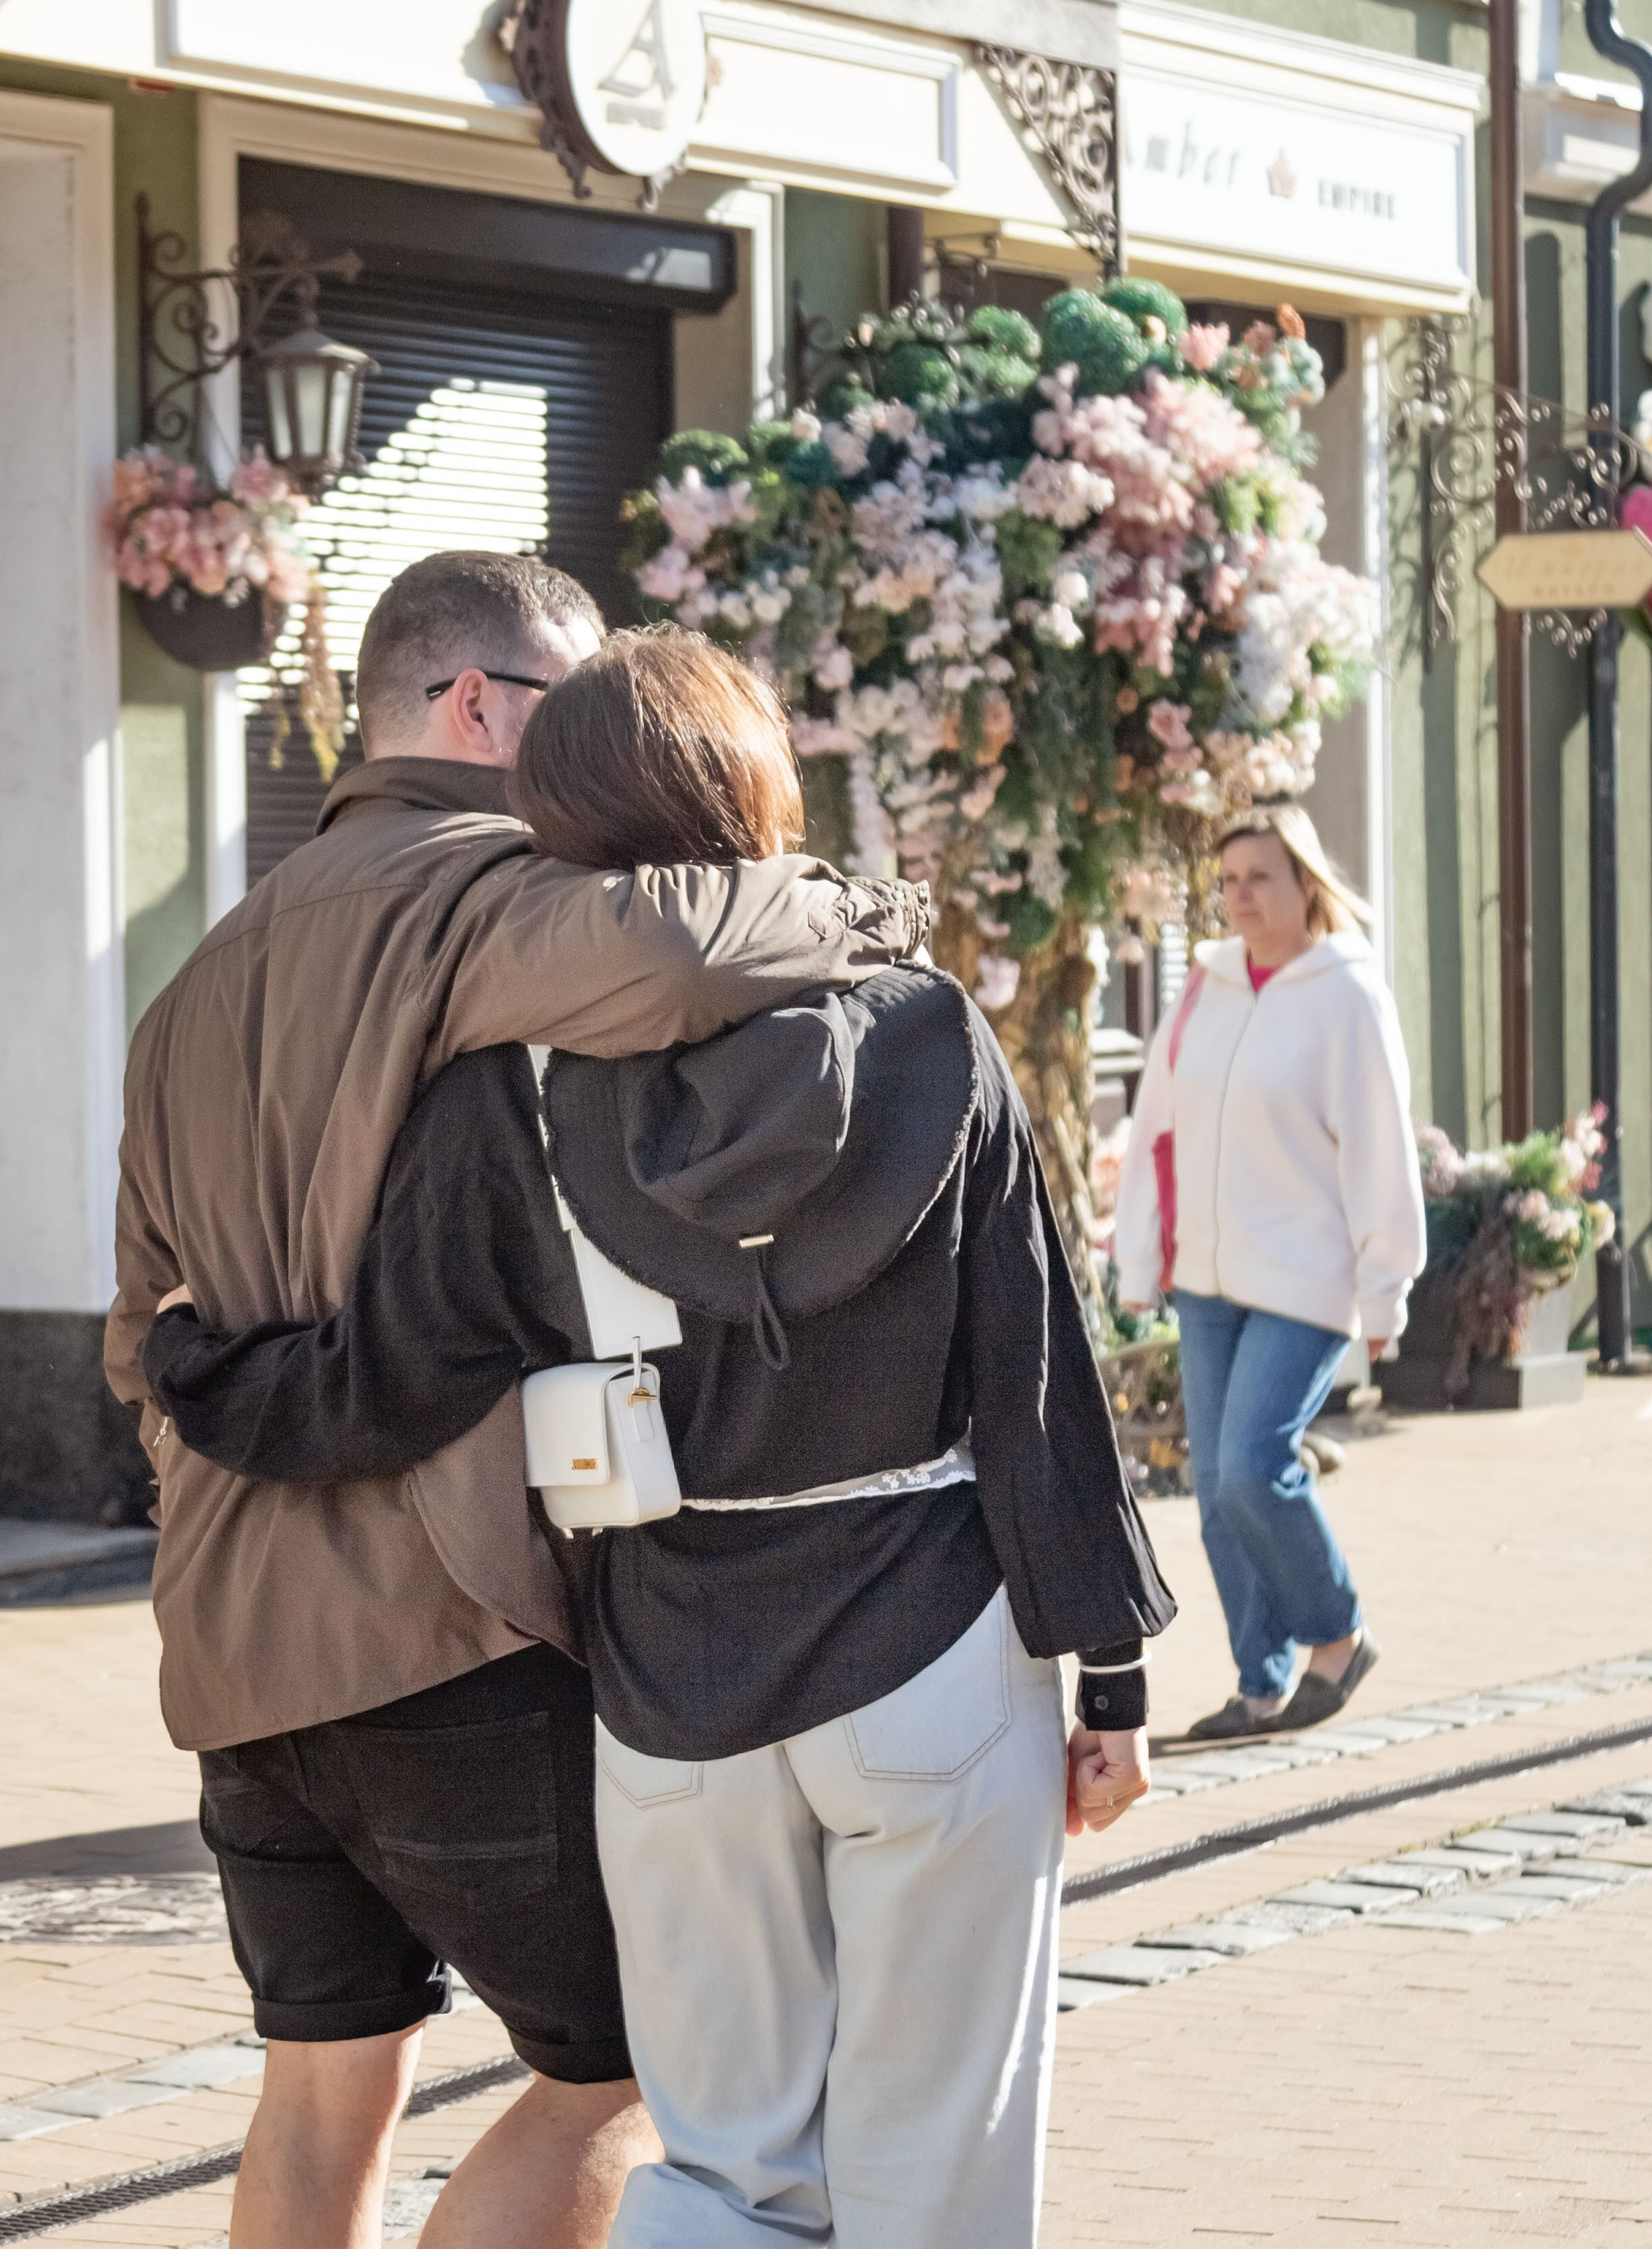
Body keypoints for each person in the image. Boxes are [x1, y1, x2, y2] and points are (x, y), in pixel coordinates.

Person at [146, 626, 1176, 2249]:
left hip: (676, 1668)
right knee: (938, 2157)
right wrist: (1106, 1677)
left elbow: (383, 1380)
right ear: (761, 791)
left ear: (557, 825)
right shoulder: (930, 1034)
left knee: (719, 2163)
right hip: (931, 1642)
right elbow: (1037, 1376)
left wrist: (193, 1368)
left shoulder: (507, 1091)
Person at [1114, 803, 1424, 1743]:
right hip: (1207, 1277)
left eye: (1261, 877)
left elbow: (1379, 1147)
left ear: (1306, 887)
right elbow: (1155, 1131)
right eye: (1230, 879)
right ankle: (1261, 1684)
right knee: (1215, 1495)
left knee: (1254, 1468)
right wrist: (1139, 1258)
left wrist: (1385, 1287)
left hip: (1304, 1278)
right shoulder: (1204, 987)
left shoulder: (1346, 994)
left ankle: (1338, 1634)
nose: (1241, 895)